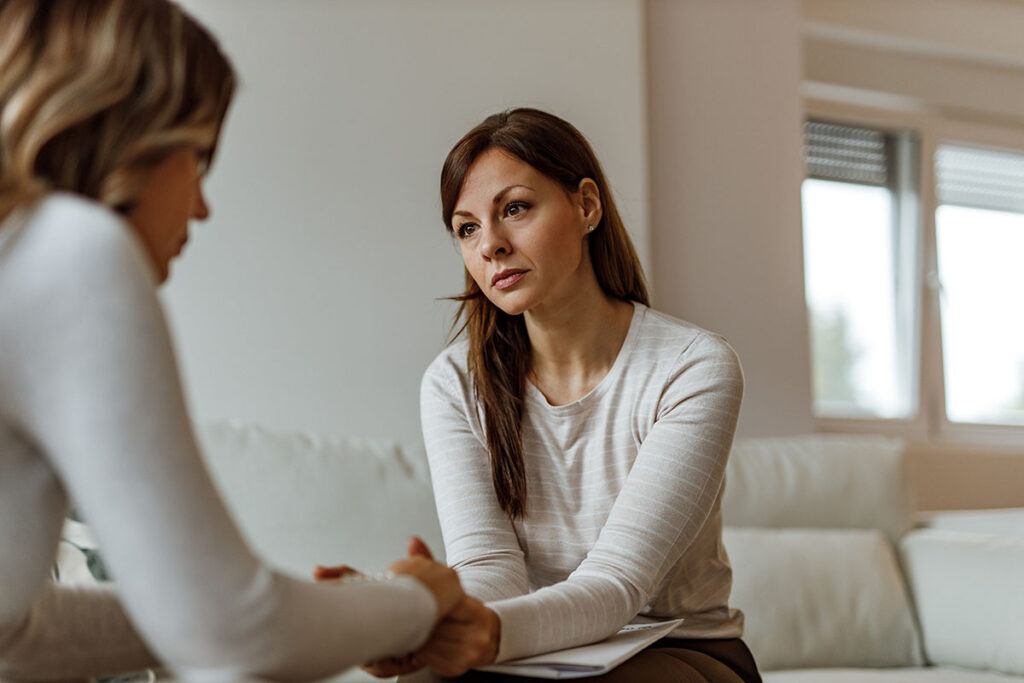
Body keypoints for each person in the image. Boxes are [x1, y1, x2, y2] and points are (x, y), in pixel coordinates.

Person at [0, 1, 463, 680]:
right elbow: (237, 632)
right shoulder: (71, 251)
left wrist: (322, 613)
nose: (201, 206)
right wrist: (423, 597)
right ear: (136, 132)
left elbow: (16, 635)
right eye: (198, 156)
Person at [408, 108, 762, 682]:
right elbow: (489, 569)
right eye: (467, 228)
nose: (490, 245)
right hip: (531, 648)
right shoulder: (453, 384)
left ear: (587, 205)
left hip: (680, 650)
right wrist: (440, 625)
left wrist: (488, 634)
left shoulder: (692, 367)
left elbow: (617, 585)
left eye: (515, 209)